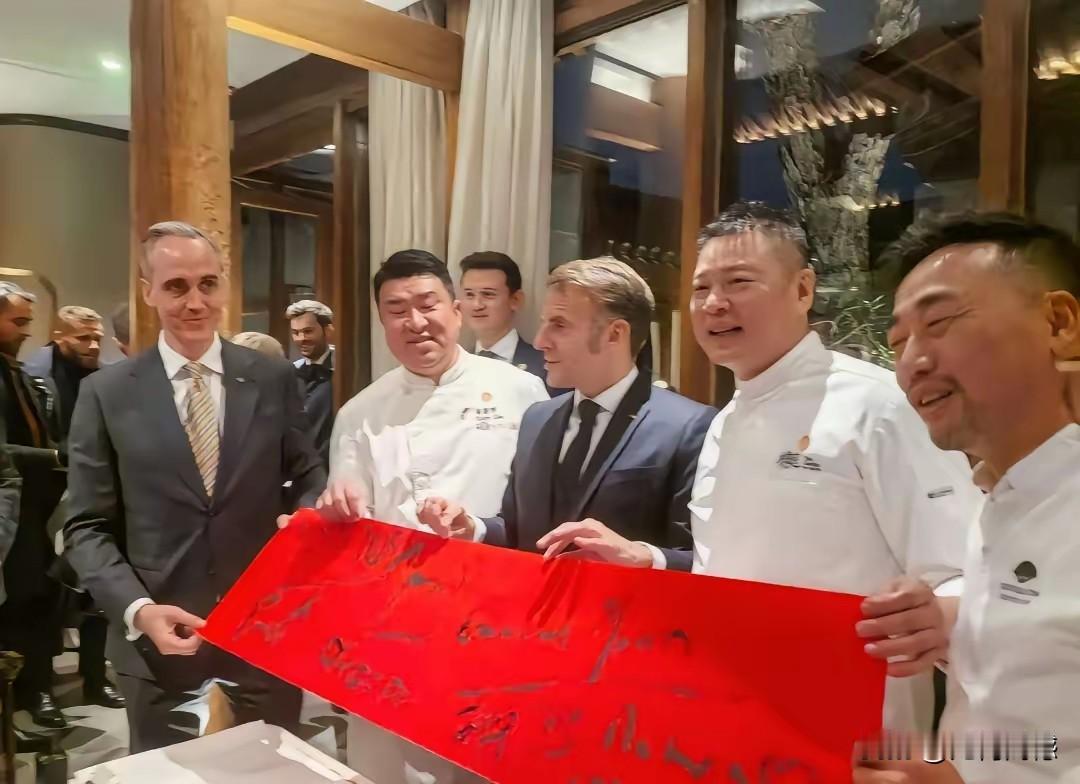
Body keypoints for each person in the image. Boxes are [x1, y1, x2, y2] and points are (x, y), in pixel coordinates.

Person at [540, 203, 981, 732]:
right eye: (702, 288)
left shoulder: (879, 406)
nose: (715, 303)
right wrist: (648, 561)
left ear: (803, 289)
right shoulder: (725, 422)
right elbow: (723, 576)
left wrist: (940, 620)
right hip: (731, 721)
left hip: (850, 729)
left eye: (739, 282)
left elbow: (961, 573)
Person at [63, 221, 326, 752]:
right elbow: (85, 526)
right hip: (159, 647)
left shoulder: (272, 377)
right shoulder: (107, 393)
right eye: (176, 286)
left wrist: (306, 519)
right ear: (149, 292)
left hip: (264, 637)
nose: (195, 302)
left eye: (208, 283)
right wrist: (138, 610)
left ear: (224, 284)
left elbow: (308, 474)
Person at [296, 249, 547, 784]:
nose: (415, 322)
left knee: (492, 763)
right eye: (396, 310)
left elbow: (543, 504)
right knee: (391, 766)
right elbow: (348, 510)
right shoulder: (360, 412)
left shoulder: (521, 390)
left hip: (497, 617)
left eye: (428, 304)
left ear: (456, 309)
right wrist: (331, 509)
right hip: (395, 628)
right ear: (381, 321)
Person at [856, 213, 1080, 784]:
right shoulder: (999, 496)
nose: (912, 363)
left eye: (940, 323)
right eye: (898, 343)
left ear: (1059, 323)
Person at [419, 258, 717, 572]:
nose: (540, 341)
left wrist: (642, 555)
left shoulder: (687, 428)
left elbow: (703, 560)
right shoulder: (537, 419)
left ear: (615, 333)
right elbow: (519, 530)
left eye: (559, 325)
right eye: (544, 323)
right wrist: (473, 527)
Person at [23, 306, 124, 710]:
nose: (94, 345)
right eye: (83, 337)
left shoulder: (106, 379)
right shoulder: (32, 378)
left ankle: (95, 679)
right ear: (58, 335)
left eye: (97, 337)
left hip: (98, 496)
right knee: (46, 596)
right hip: (46, 499)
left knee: (99, 592)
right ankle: (40, 686)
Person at [0, 282, 68, 728]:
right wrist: (57, 457)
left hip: (37, 506)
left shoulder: (20, 373)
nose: (26, 331)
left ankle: (37, 689)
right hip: (9, 510)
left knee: (43, 597)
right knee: (16, 603)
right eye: (18, 321)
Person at [459, 252, 547, 380]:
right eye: (469, 295)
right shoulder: (457, 366)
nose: (477, 305)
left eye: (488, 294)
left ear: (516, 300)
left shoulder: (545, 366)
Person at [286, 300, 334, 468]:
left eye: (308, 331)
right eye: (296, 333)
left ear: (328, 331)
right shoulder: (291, 373)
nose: (301, 339)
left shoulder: (344, 371)